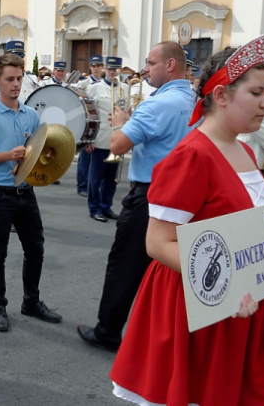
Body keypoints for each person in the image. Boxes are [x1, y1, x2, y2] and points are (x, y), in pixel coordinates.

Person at [110, 36, 264, 406]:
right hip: (202, 307)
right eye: (256, 93)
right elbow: (158, 244)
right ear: (221, 95)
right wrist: (226, 283)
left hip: (250, 303)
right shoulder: (192, 155)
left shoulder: (240, 147)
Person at [77, 41, 194, 352]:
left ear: (170, 65)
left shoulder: (157, 105)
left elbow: (117, 145)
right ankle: (164, 339)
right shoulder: (194, 99)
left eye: (151, 63)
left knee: (125, 266)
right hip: (186, 198)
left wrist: (120, 123)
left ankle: (108, 332)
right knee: (167, 273)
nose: (145, 68)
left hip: (151, 196)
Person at [0, 53, 61, 333]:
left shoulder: (31, 115)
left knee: (35, 249)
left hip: (25, 191)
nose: (15, 84)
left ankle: (30, 301)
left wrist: (38, 158)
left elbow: (36, 154)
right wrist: (7, 156)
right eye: (9, 79)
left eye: (19, 78)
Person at [85, 57, 128, 222]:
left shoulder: (124, 88)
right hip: (100, 138)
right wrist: (89, 138)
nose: (112, 72)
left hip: (117, 139)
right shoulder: (95, 88)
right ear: (105, 70)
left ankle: (106, 206)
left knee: (111, 178)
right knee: (95, 178)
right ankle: (94, 208)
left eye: (115, 69)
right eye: (110, 69)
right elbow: (88, 114)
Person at [76, 55, 104, 197]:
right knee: (85, 156)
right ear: (90, 67)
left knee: (99, 157)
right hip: (87, 122)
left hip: (102, 124)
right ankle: (82, 185)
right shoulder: (83, 84)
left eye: (99, 66)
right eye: (94, 66)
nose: (96, 68)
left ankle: (94, 185)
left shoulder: (105, 85)